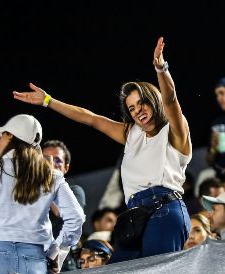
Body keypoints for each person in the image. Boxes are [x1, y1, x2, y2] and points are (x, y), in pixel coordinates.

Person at [13, 37, 192, 262]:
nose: (138, 111)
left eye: (142, 103)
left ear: (154, 100)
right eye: (132, 108)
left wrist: (160, 69)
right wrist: (49, 101)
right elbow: (91, 119)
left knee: (157, 268)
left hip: (165, 210)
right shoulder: (131, 134)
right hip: (133, 215)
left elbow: (171, 100)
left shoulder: (174, 130)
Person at [0, 114, 85, 274]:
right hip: (34, 260)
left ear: (10, 136)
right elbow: (76, 218)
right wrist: (55, 252)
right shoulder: (51, 175)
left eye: (2, 135)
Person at [42, 139, 87, 272]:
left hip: (64, 264)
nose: (50, 165)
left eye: (57, 160)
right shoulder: (31, 196)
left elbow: (62, 212)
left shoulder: (75, 191)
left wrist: (47, 185)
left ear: (66, 168)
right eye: (45, 160)